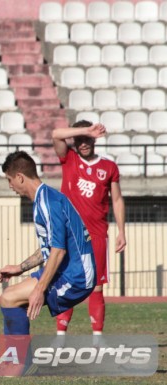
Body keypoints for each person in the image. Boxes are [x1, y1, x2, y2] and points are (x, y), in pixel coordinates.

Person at [0, 151, 96, 335]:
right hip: (68, 270)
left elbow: (58, 251)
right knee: (11, 296)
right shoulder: (46, 197)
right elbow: (52, 245)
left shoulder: (47, 203)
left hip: (76, 277)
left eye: (9, 180)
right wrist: (21, 267)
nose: (10, 186)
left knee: (9, 298)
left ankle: (18, 363)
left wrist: (39, 289)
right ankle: (19, 361)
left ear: (19, 177)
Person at [52, 121, 126, 340]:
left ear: (95, 140)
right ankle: (60, 337)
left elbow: (118, 199)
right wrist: (85, 130)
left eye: (88, 140)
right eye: (80, 140)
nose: (83, 144)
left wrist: (122, 231)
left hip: (97, 235)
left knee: (96, 287)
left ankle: (97, 339)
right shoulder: (69, 159)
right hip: (70, 234)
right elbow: (56, 134)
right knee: (66, 284)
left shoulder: (109, 167)